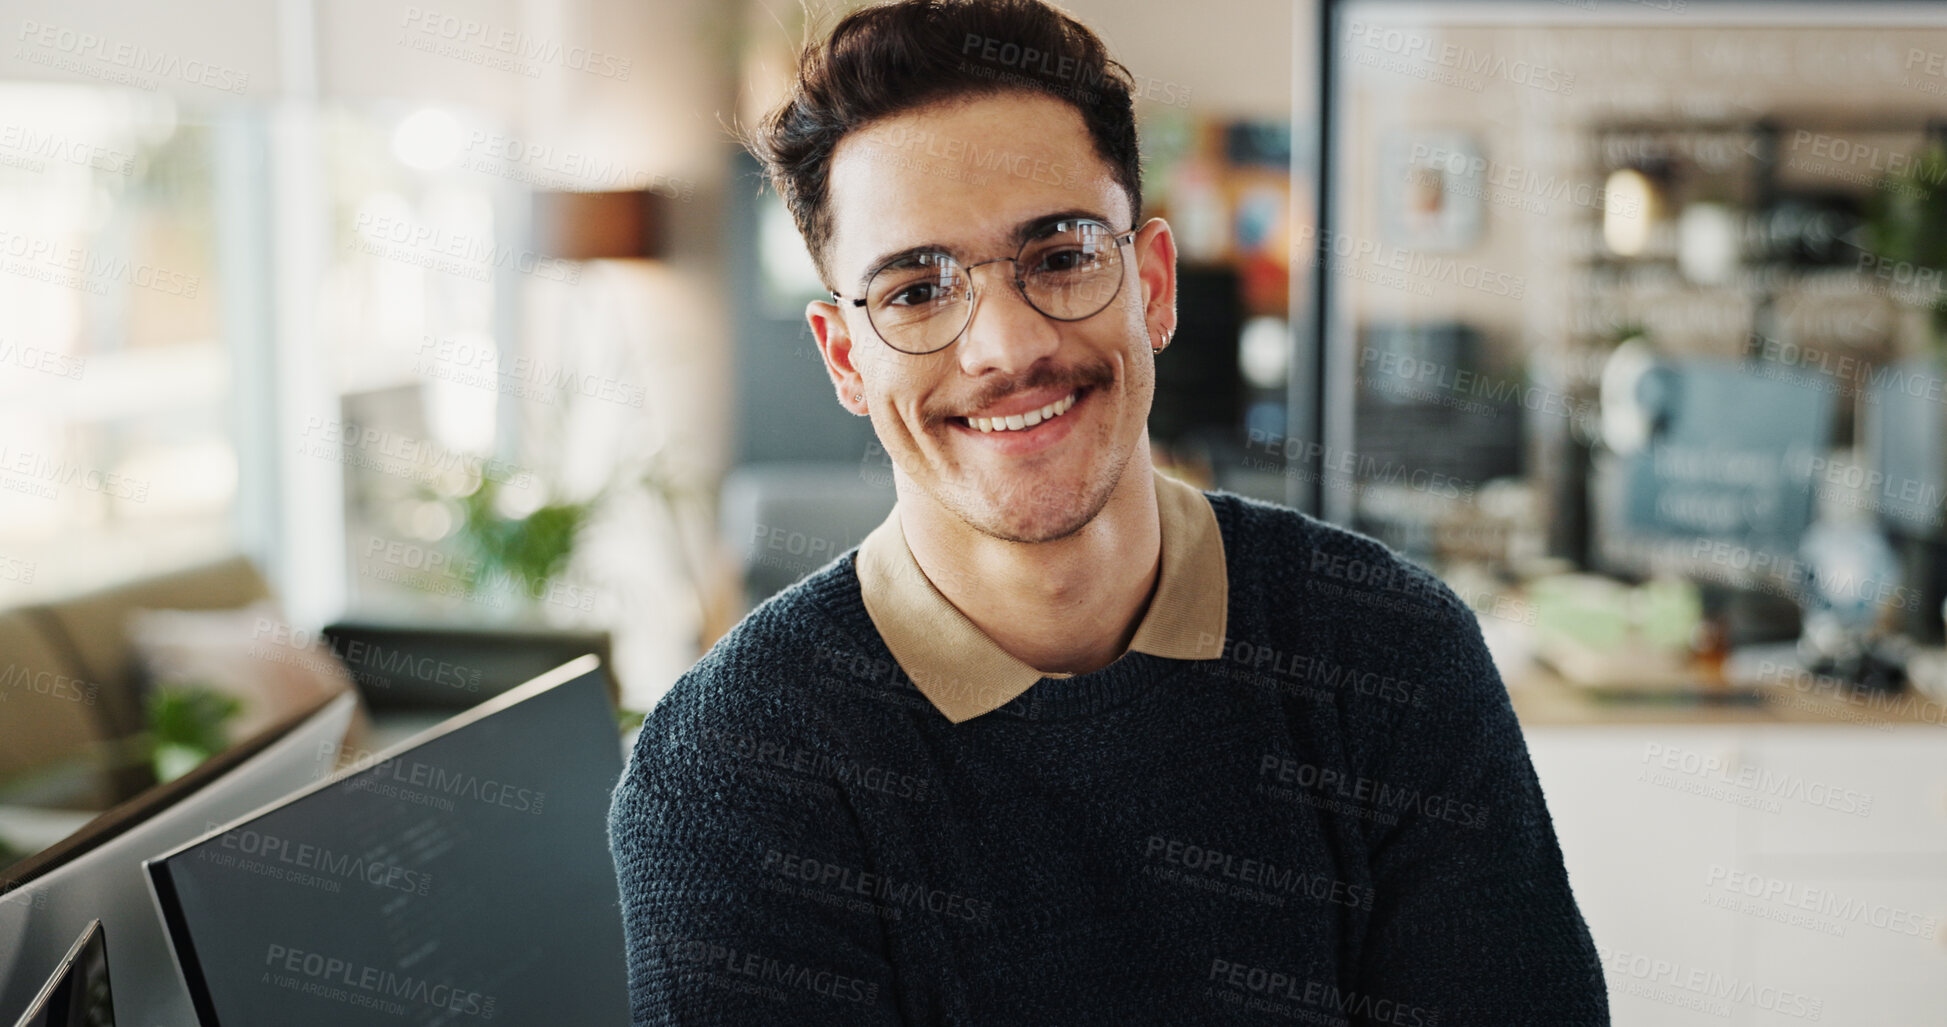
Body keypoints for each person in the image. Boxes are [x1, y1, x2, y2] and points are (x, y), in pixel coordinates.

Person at [608, 1, 1609, 1023]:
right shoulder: (729, 771)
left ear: (1155, 284)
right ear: (844, 358)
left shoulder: (1393, 653)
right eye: (914, 289)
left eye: (1061, 255)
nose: (1004, 347)